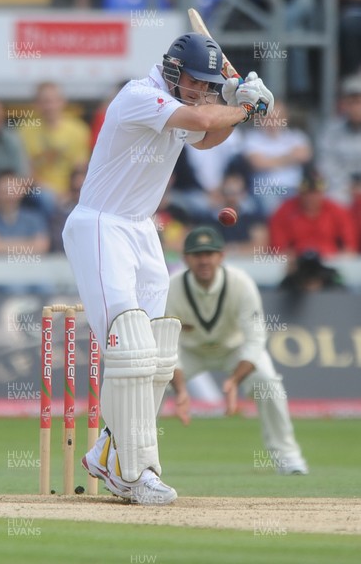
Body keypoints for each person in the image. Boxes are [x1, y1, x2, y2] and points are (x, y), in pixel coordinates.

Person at [62, 31, 274, 505]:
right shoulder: (140, 95)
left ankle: (109, 452)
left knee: (156, 350)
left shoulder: (184, 101)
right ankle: (134, 471)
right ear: (176, 73)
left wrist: (243, 107)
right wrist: (242, 104)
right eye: (195, 81)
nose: (201, 89)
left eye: (206, 84)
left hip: (141, 229)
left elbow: (205, 138)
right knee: (128, 342)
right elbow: (201, 116)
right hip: (101, 224)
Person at [165, 226, 308, 475]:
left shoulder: (241, 283)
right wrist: (180, 390)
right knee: (149, 381)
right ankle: (135, 460)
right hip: (189, 351)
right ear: (186, 258)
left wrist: (233, 381)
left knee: (267, 381)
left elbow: (254, 341)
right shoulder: (172, 287)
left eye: (210, 253)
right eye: (197, 254)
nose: (204, 260)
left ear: (221, 256)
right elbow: (167, 344)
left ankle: (288, 457)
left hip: (234, 349)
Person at [18, 82, 91, 215]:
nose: (49, 106)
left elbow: (81, 168)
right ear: (36, 104)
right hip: (40, 190)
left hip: (72, 189)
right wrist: (54, 193)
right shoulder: (26, 130)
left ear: (62, 102)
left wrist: (70, 192)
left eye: (53, 101)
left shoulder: (78, 129)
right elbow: (27, 171)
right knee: (45, 198)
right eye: (44, 102)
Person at [269, 168, 358, 258]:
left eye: (315, 193)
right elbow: (278, 248)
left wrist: (339, 258)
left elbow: (350, 246)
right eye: (307, 193)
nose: (311, 198)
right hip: (297, 262)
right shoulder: (285, 211)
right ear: (300, 193)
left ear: (322, 193)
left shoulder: (336, 211)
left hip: (330, 259)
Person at [316, 73, 361, 206]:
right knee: (330, 199)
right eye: (351, 102)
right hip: (340, 188)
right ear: (344, 104)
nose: (356, 108)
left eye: (359, 102)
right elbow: (325, 164)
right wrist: (349, 185)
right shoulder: (330, 130)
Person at [279, 249, 345, 292]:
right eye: (306, 268)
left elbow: (343, 291)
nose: (310, 272)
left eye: (314, 268)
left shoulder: (330, 278)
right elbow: (280, 292)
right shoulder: (291, 282)